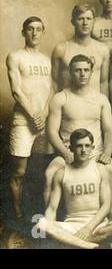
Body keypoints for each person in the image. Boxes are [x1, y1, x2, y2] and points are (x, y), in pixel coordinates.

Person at [45, 55, 112, 207]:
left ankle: (111, 216)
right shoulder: (60, 98)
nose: (82, 74)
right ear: (71, 72)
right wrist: (65, 153)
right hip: (69, 154)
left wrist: (107, 153)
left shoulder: (101, 99)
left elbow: (110, 131)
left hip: (95, 154)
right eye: (78, 70)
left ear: (91, 72)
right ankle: (50, 222)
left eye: (86, 70)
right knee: (50, 173)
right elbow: (51, 131)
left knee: (111, 169)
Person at [37, 129, 112, 249]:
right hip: (72, 224)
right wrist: (50, 226)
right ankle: (89, 245)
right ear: (71, 148)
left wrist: (88, 228)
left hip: (96, 225)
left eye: (87, 146)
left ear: (92, 148)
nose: (84, 150)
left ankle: (73, 243)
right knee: (42, 224)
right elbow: (52, 208)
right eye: (79, 146)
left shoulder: (100, 170)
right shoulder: (61, 173)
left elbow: (106, 205)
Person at [6, 16, 53, 220]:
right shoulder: (15, 57)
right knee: (19, 171)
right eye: (30, 29)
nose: (35, 33)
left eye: (38, 29)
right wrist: (33, 115)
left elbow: (51, 89)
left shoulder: (46, 60)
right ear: (23, 32)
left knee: (41, 167)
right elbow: (16, 90)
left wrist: (43, 113)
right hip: (23, 121)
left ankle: (38, 210)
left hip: (43, 119)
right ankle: (17, 215)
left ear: (43, 32)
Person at [51, 4, 110, 96]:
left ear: (94, 21)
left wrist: (105, 107)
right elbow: (54, 82)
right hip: (68, 106)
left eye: (88, 19)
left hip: (94, 106)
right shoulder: (61, 49)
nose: (85, 23)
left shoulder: (102, 49)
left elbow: (104, 83)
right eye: (80, 19)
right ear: (73, 22)